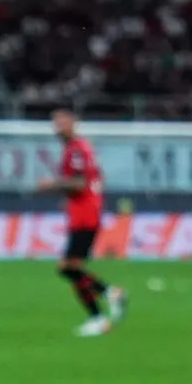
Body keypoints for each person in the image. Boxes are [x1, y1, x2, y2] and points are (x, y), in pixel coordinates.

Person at [36, 108, 126, 337]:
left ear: (74, 123)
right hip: (85, 213)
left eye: (63, 122)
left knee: (68, 267)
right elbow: (95, 177)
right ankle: (104, 304)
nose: (58, 127)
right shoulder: (80, 149)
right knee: (70, 268)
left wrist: (52, 185)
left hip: (85, 217)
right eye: (55, 123)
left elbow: (78, 183)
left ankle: (104, 305)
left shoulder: (76, 150)